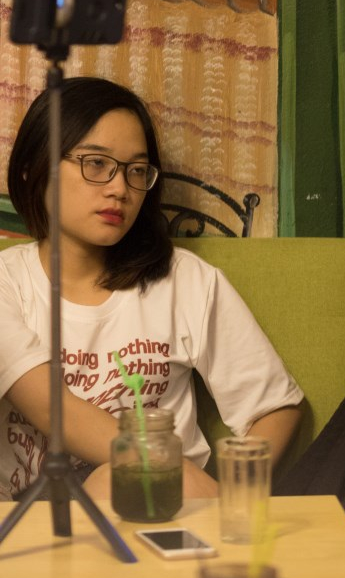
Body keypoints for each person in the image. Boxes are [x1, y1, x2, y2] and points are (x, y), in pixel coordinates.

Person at [0, 77, 303, 501]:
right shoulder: (7, 283)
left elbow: (275, 408)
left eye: (137, 171)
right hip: (37, 523)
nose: (120, 189)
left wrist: (232, 497)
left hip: (174, 511)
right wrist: (184, 478)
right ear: (33, 169)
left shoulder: (185, 281)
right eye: (96, 163)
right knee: (110, 480)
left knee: (114, 481)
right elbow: (52, 408)